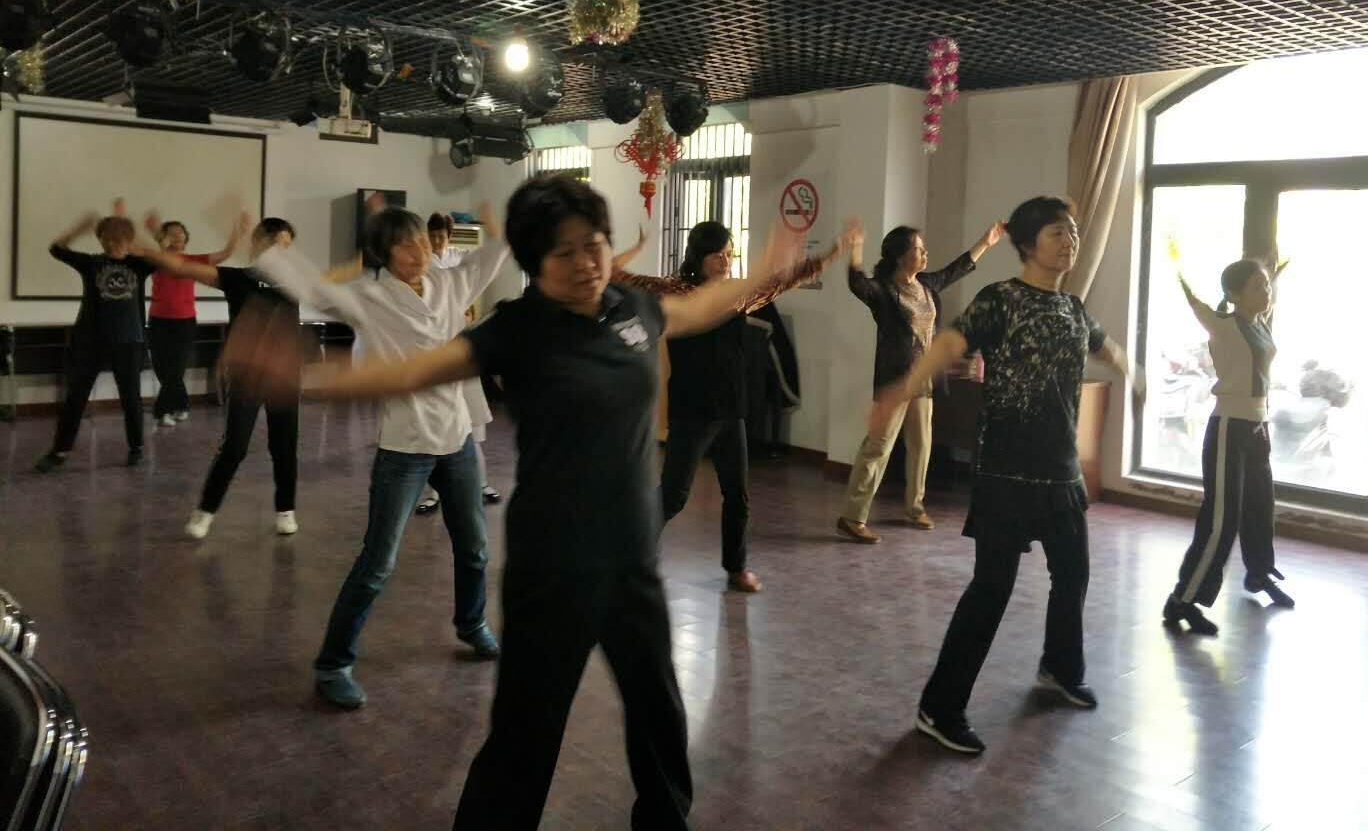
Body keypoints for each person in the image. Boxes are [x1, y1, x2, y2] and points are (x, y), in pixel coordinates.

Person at [217, 173, 804, 830]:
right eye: (565, 251)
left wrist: (771, 264)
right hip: (552, 563)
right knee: (527, 730)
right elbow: (410, 371)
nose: (587, 262)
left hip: (632, 557)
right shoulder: (517, 329)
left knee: (659, 711)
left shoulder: (635, 310)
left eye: (595, 244)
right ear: (535, 262)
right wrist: (303, 379)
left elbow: (705, 306)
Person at [872, 196, 1141, 755]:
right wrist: (902, 389)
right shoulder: (1000, 300)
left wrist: (1131, 368)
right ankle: (939, 708)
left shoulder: (1072, 306)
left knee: (1073, 574)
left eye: (1072, 232)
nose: (1069, 241)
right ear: (1026, 243)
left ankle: (1060, 669)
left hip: (1060, 471)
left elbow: (1104, 344)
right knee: (991, 589)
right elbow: (949, 342)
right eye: (1057, 232)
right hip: (1006, 471)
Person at [253, 203, 509, 709]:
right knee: (377, 562)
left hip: (456, 438)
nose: (419, 252)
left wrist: (497, 223)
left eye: (422, 242)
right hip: (405, 447)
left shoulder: (449, 283)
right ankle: (333, 664)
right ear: (384, 253)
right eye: (406, 245)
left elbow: (492, 256)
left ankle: (471, 622)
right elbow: (315, 291)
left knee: (475, 546)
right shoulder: (370, 296)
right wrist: (271, 253)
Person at [611, 217, 860, 592]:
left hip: (731, 407)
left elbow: (782, 281)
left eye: (730, 254)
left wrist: (831, 254)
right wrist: (631, 250)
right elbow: (622, 279)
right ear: (698, 257)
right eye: (717, 255)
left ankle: (736, 568)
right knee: (673, 496)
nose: (726, 262)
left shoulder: (737, 294)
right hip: (693, 407)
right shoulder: (673, 292)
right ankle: (628, 559)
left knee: (737, 495)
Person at [836, 219, 1007, 542]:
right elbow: (857, 284)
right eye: (918, 249)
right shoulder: (884, 290)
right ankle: (852, 516)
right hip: (895, 381)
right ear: (901, 256)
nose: (925, 253)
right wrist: (855, 248)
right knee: (878, 446)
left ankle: (914, 507)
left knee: (921, 444)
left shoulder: (926, 284)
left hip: (924, 379)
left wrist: (987, 241)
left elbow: (957, 269)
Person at [134, 215, 302, 537]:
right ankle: (205, 511)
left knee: (285, 446)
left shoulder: (295, 283)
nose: (283, 253)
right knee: (234, 447)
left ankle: (286, 509)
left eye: (287, 247)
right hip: (247, 377)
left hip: (284, 376)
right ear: (259, 245)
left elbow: (334, 283)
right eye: (277, 245)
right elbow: (186, 268)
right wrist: (149, 250)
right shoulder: (239, 279)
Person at [1163, 256, 1294, 636]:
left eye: (1266, 285)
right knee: (1221, 521)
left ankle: (1259, 574)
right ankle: (1182, 600)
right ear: (1234, 295)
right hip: (1228, 429)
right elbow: (1192, 296)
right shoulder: (1222, 324)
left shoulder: (1259, 324)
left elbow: (1269, 285)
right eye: (1256, 286)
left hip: (1257, 427)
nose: (1265, 291)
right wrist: (1177, 260)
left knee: (1260, 507)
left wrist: (1274, 271)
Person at [33, 203, 156, 471]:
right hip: (91, 340)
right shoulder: (91, 263)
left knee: (131, 398)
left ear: (128, 240)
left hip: (129, 341)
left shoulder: (139, 265)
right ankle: (59, 451)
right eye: (106, 238)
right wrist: (79, 228)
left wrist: (142, 235)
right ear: (100, 239)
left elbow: (163, 257)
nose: (111, 243)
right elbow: (56, 249)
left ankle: (136, 447)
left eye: (118, 238)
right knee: (76, 396)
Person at [416, 211, 502, 514]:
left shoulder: (459, 259)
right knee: (434, 434)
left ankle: (481, 483)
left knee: (473, 429)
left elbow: (481, 270)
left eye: (441, 235)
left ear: (449, 236)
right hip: (434, 351)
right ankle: (434, 493)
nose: (437, 240)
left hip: (461, 348)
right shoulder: (424, 264)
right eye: (433, 235)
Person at [144, 214, 242, 427]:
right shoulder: (156, 261)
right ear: (163, 238)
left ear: (185, 238)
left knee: (176, 368)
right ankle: (182, 404)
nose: (177, 237)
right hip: (158, 320)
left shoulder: (194, 261)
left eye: (180, 233)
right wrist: (155, 236)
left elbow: (226, 253)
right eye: (171, 234)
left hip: (184, 321)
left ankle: (163, 410)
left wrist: (236, 232)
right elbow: (144, 253)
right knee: (162, 368)